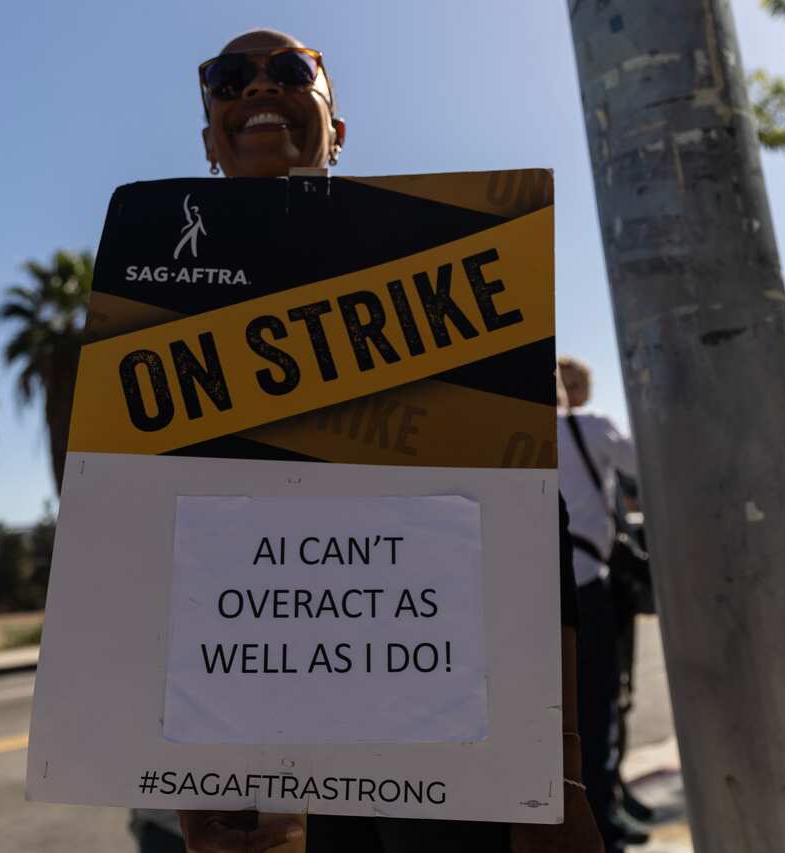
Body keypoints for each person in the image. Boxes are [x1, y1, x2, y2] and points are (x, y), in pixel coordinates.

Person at [175, 29, 603, 853]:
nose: (257, 88)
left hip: (452, 734)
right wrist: (192, 774)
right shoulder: (162, 316)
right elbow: (168, 554)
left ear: (337, 129)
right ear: (209, 143)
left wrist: (560, 768)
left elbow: (522, 529)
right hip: (282, 748)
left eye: (291, 71)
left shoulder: (435, 270)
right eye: (230, 80)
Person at [557, 356, 639, 853]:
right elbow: (642, 463)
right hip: (586, 584)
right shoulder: (591, 426)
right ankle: (604, 828)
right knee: (596, 708)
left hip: (526, 593)